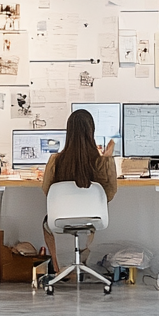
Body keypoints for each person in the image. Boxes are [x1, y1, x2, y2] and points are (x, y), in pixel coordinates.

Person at [41, 108, 117, 273]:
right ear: (92, 131)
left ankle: (59, 268)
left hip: (60, 219)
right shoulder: (100, 161)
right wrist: (107, 159)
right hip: (94, 219)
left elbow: (48, 192)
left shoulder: (56, 160)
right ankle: (83, 263)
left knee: (46, 223)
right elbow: (109, 194)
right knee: (85, 223)